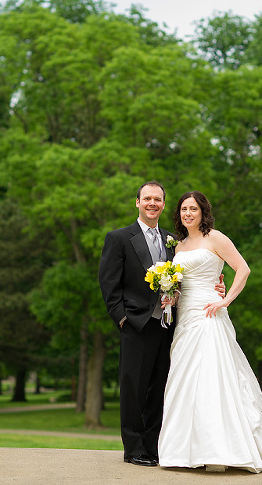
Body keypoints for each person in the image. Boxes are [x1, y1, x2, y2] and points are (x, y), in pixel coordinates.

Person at [157, 191, 262, 473]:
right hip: (185, 317)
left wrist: (225, 299)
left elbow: (242, 269)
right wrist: (170, 297)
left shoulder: (215, 238)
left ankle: (220, 451)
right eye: (184, 209)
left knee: (211, 380)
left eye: (193, 209)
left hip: (209, 316)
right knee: (184, 382)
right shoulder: (179, 246)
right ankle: (184, 452)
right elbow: (182, 283)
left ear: (203, 211)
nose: (188, 214)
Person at [98, 181, 223, 467]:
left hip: (169, 326)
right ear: (138, 203)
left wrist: (219, 285)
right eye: (147, 199)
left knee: (160, 388)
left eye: (158, 199)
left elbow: (191, 275)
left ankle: (155, 447)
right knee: (133, 388)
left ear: (164, 205)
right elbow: (109, 285)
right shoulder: (118, 238)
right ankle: (134, 449)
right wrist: (122, 320)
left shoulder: (173, 241)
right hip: (136, 324)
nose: (152, 203)